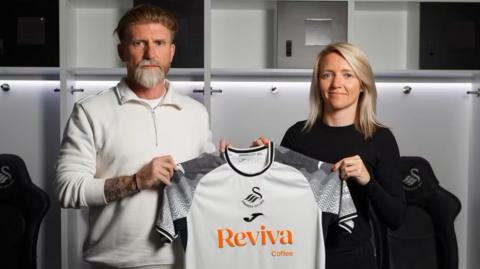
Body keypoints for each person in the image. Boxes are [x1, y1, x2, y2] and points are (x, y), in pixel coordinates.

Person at [55, 4, 215, 269]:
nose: (150, 53)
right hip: (114, 263)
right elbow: (67, 190)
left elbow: (202, 187)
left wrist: (229, 164)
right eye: (139, 42)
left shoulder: (196, 112)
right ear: (122, 51)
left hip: (184, 261)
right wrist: (136, 181)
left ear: (171, 52)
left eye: (160, 43)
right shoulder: (90, 111)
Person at [280, 42, 406, 269]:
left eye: (348, 75)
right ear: (318, 83)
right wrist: (263, 161)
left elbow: (396, 218)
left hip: (355, 260)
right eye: (327, 74)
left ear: (362, 85)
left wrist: (367, 180)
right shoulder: (297, 135)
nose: (336, 83)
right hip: (301, 256)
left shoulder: (380, 138)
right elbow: (278, 202)